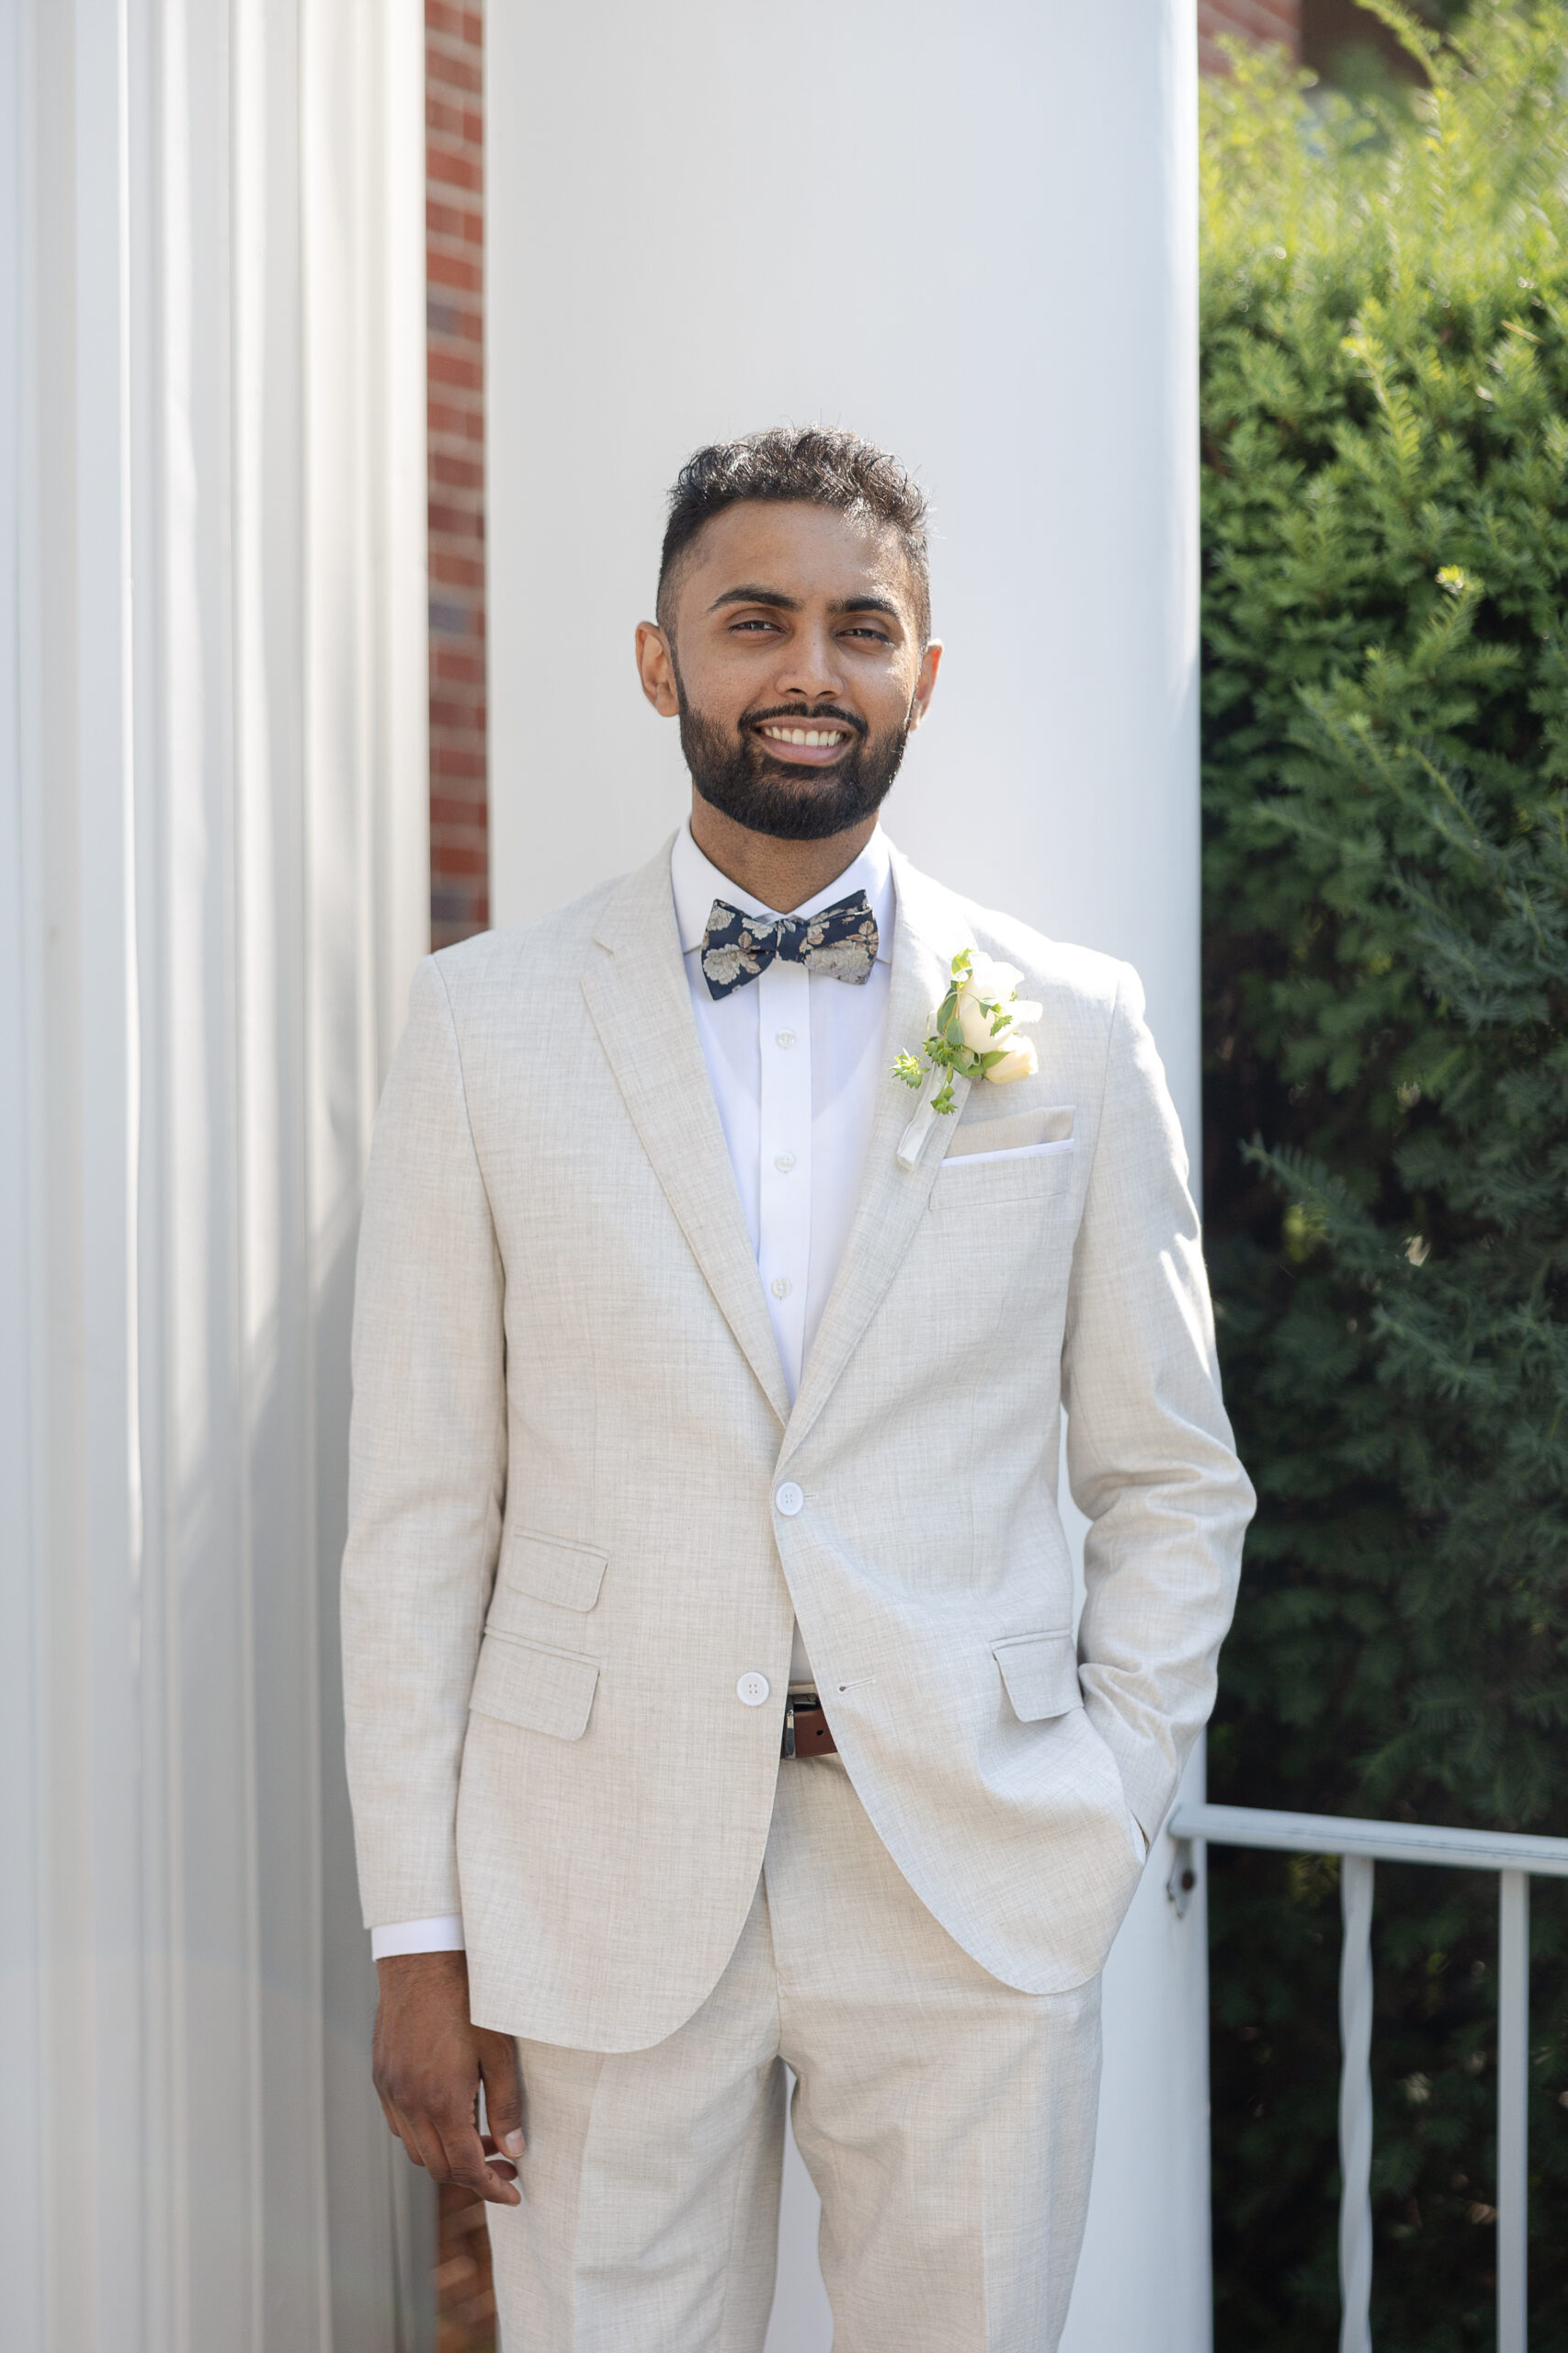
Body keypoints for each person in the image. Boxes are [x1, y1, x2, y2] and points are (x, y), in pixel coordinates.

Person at [342, 426, 1253, 2352]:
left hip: (968, 1870)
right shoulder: (482, 1025)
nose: (809, 669)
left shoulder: (1074, 1027)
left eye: (861, 625)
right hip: (590, 1880)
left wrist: (1105, 1796)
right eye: (753, 620)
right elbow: (417, 1516)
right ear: (658, 658)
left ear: (924, 668)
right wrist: (419, 1934)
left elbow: (1172, 1475)